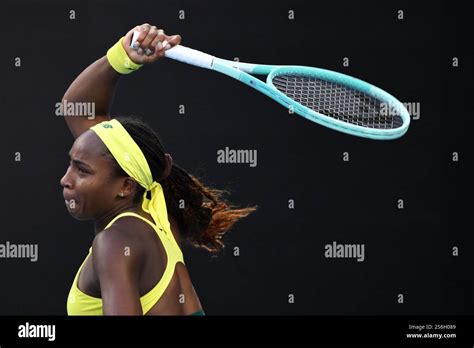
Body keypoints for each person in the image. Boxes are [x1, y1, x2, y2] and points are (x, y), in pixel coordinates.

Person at [60, 23, 256, 315]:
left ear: (126, 186)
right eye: (71, 165)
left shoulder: (114, 242)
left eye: (82, 170)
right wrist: (123, 55)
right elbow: (77, 107)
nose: (65, 180)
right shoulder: (155, 204)